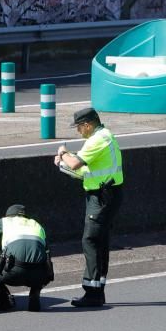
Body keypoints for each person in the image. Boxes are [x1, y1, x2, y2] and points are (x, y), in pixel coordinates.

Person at [54, 107, 124, 307]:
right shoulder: (102, 137)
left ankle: (92, 291)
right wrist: (62, 165)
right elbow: (86, 171)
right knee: (99, 240)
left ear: (87, 125)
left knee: (91, 240)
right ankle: (97, 289)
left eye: (78, 127)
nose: (78, 132)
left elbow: (76, 163)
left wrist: (64, 153)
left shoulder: (98, 139)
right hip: (104, 194)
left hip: (102, 197)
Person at [0, 204, 52, 312]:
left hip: (12, 273)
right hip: (38, 276)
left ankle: (4, 299)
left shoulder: (5, 222)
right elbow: (47, 254)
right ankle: (35, 292)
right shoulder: (37, 225)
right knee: (43, 265)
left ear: (8, 215)